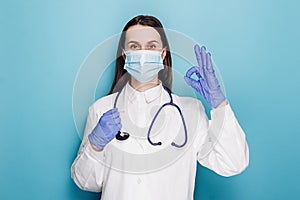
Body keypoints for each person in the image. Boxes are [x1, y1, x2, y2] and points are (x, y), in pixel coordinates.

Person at [71, 15, 249, 200]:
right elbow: (87, 183)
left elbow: (233, 163)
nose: (143, 53)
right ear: (124, 54)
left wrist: (219, 104)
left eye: (151, 46)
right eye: (134, 46)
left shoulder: (190, 111)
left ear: (163, 53)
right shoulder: (101, 110)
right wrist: (95, 146)